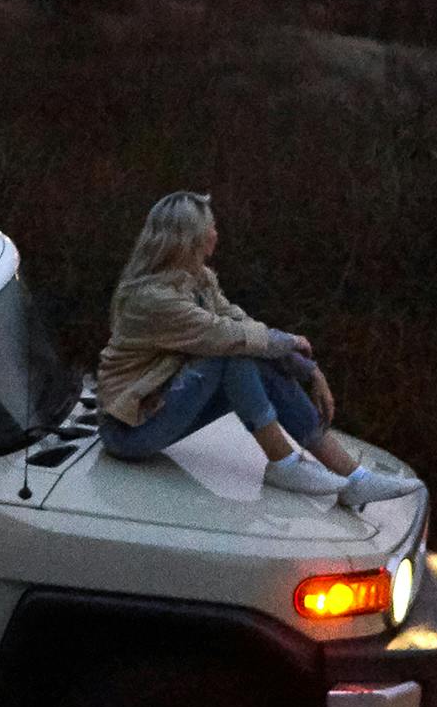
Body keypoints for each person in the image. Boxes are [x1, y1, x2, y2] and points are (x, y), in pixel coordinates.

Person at [91, 190, 413, 508]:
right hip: (129, 430)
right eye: (210, 226)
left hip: (161, 405)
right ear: (188, 237)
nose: (216, 233)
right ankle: (284, 464)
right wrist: (293, 344)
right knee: (233, 358)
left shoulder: (198, 280)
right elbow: (228, 336)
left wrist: (308, 369)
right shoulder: (153, 298)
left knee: (252, 357)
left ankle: (355, 479)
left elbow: (242, 325)